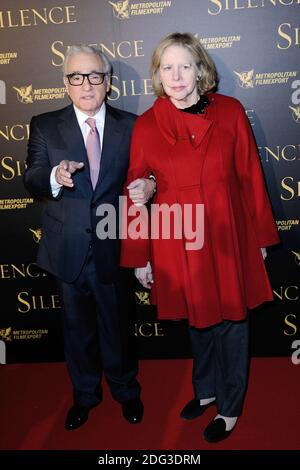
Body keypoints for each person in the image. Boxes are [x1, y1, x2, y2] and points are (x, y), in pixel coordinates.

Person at [121, 32, 280, 442]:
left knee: (230, 320)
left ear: (200, 69)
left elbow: (249, 176)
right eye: (167, 67)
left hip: (228, 229)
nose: (176, 76)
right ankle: (206, 390)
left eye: (184, 66)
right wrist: (140, 255)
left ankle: (230, 405)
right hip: (178, 235)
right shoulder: (146, 125)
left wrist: (261, 236)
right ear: (157, 74)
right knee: (197, 320)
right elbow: (136, 188)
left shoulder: (229, 111)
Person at [24, 45, 154, 430]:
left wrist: (150, 183)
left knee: (117, 329)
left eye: (95, 75)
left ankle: (126, 391)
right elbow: (32, 177)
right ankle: (84, 395)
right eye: (76, 77)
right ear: (66, 84)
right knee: (77, 331)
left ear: (108, 81)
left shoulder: (133, 126)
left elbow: (150, 174)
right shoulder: (45, 124)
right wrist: (54, 177)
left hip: (114, 245)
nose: (86, 84)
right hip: (67, 250)